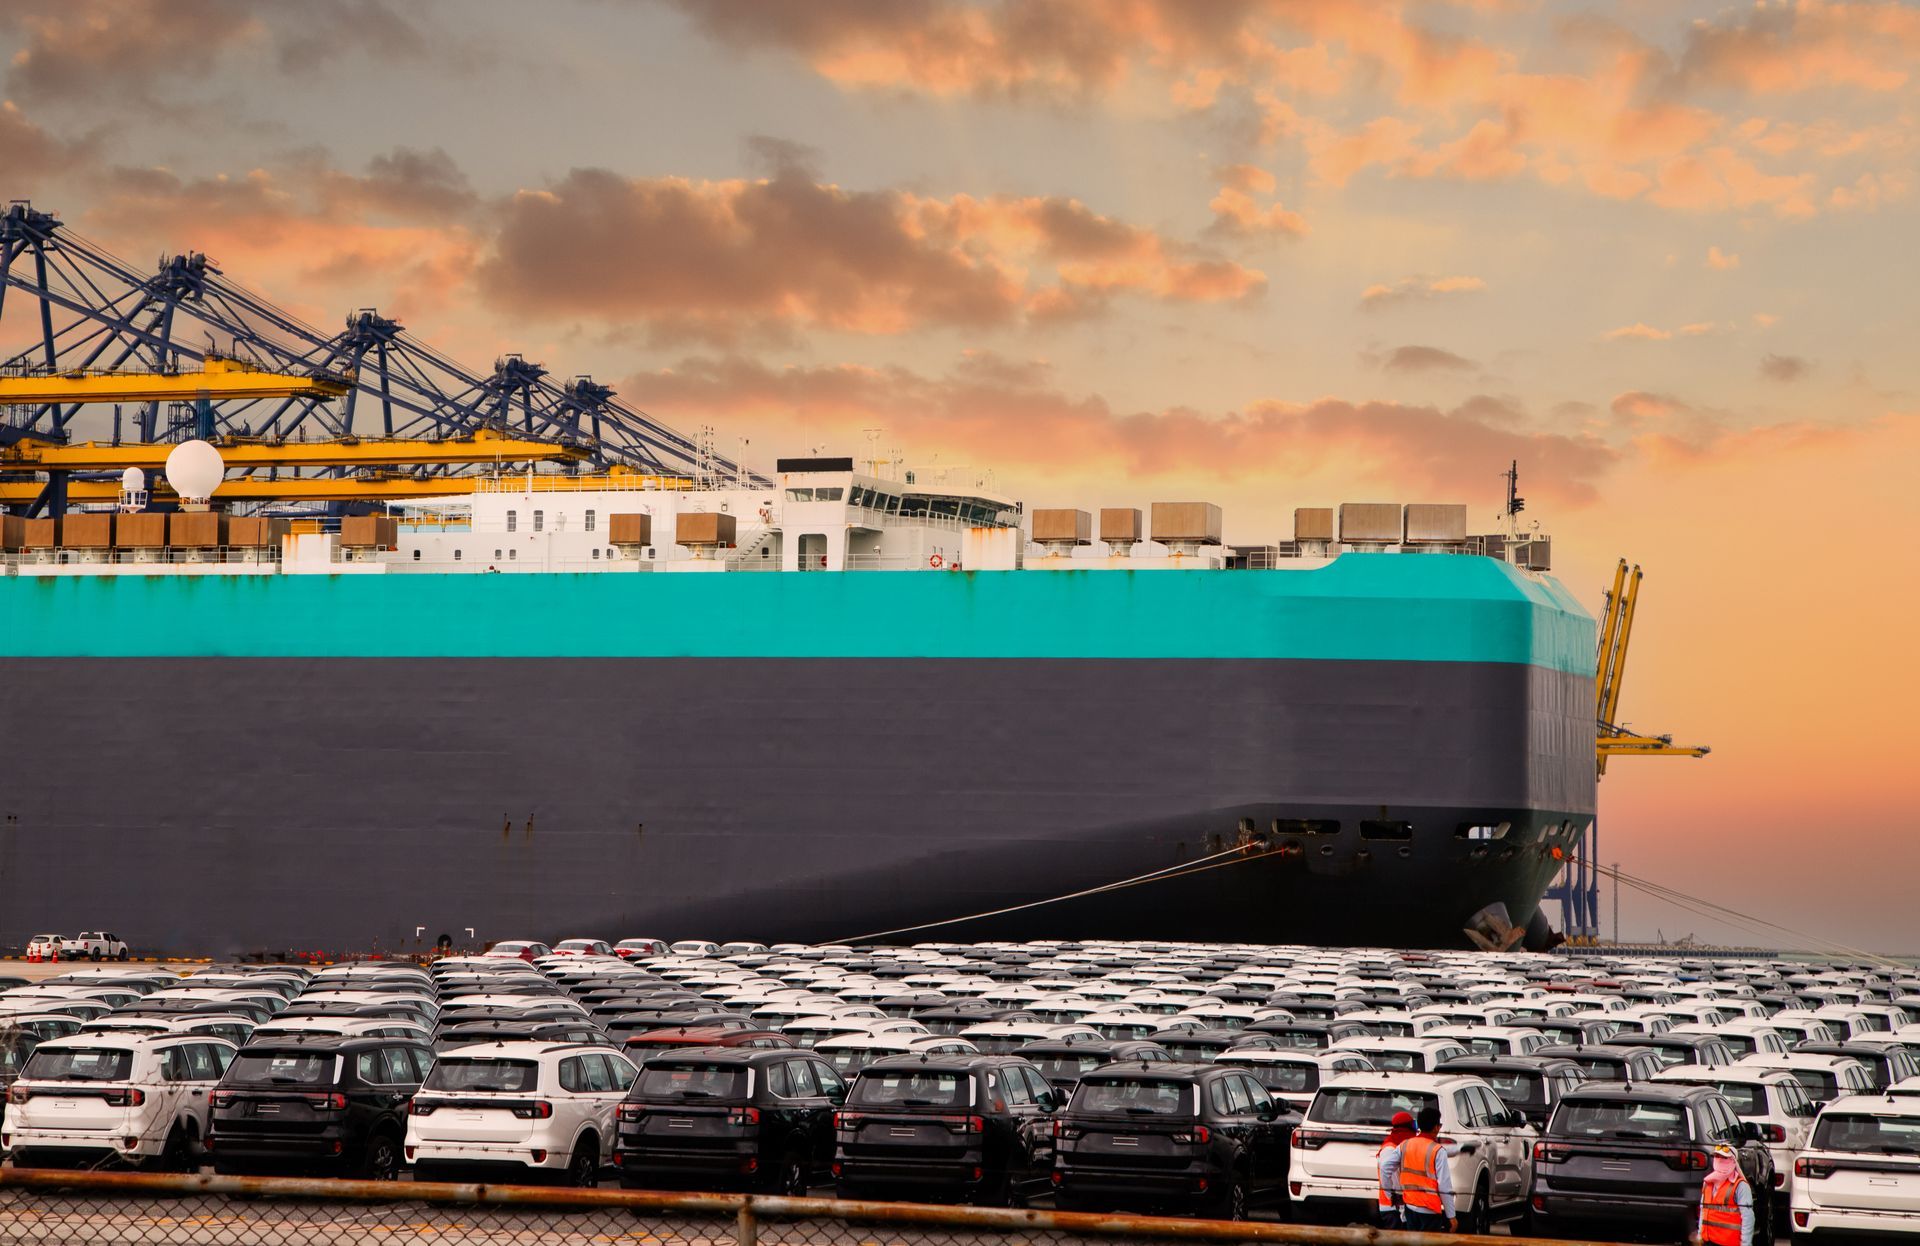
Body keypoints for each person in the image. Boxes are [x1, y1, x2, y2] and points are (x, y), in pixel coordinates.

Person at [1380, 1104, 1456, 1233]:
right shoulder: (1437, 1150)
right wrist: (1451, 1216)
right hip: (1429, 1210)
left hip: (1410, 1207)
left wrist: (1389, 1193)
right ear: (1436, 1128)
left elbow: (1384, 1167)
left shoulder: (1405, 1145)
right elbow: (1444, 1186)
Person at [1694, 1143, 1753, 1246]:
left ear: (1733, 1161)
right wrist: (1700, 1235)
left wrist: (1745, 1243)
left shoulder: (1740, 1186)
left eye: (1724, 1157)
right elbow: (1703, 1211)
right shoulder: (1708, 1182)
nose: (1719, 1159)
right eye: (1717, 1156)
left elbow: (1748, 1217)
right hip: (1707, 1242)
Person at [1376, 1110, 1418, 1227]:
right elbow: (1385, 1170)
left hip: (1401, 1205)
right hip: (1393, 1208)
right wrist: (1391, 1196)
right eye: (1414, 1125)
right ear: (1407, 1127)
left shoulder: (1399, 1146)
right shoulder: (1391, 1148)